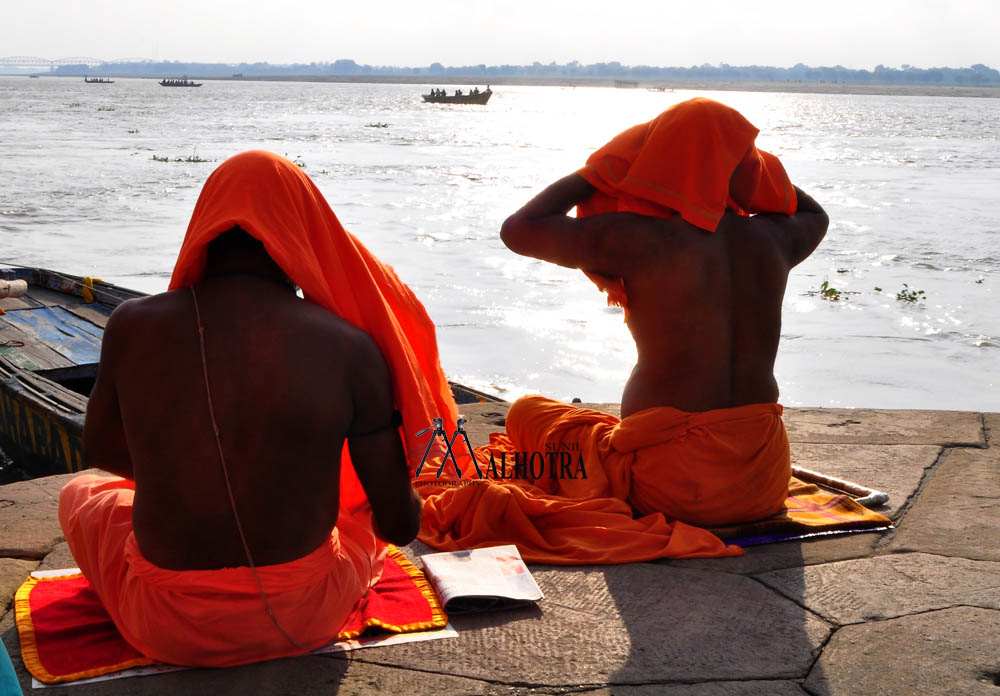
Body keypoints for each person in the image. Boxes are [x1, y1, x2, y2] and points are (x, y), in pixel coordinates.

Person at [59, 151, 457, 667]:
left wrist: (188, 476)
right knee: (356, 523)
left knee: (81, 493)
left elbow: (100, 449)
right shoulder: (349, 346)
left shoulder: (131, 324)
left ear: (204, 228)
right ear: (304, 235)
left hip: (165, 623)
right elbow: (400, 527)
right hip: (302, 620)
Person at [416, 98, 828, 564]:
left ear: (659, 159)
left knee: (529, 412)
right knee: (598, 429)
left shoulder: (639, 237)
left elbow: (519, 230)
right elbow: (814, 215)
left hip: (670, 488)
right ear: (743, 167)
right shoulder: (773, 238)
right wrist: (756, 175)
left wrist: (597, 174)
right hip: (762, 481)